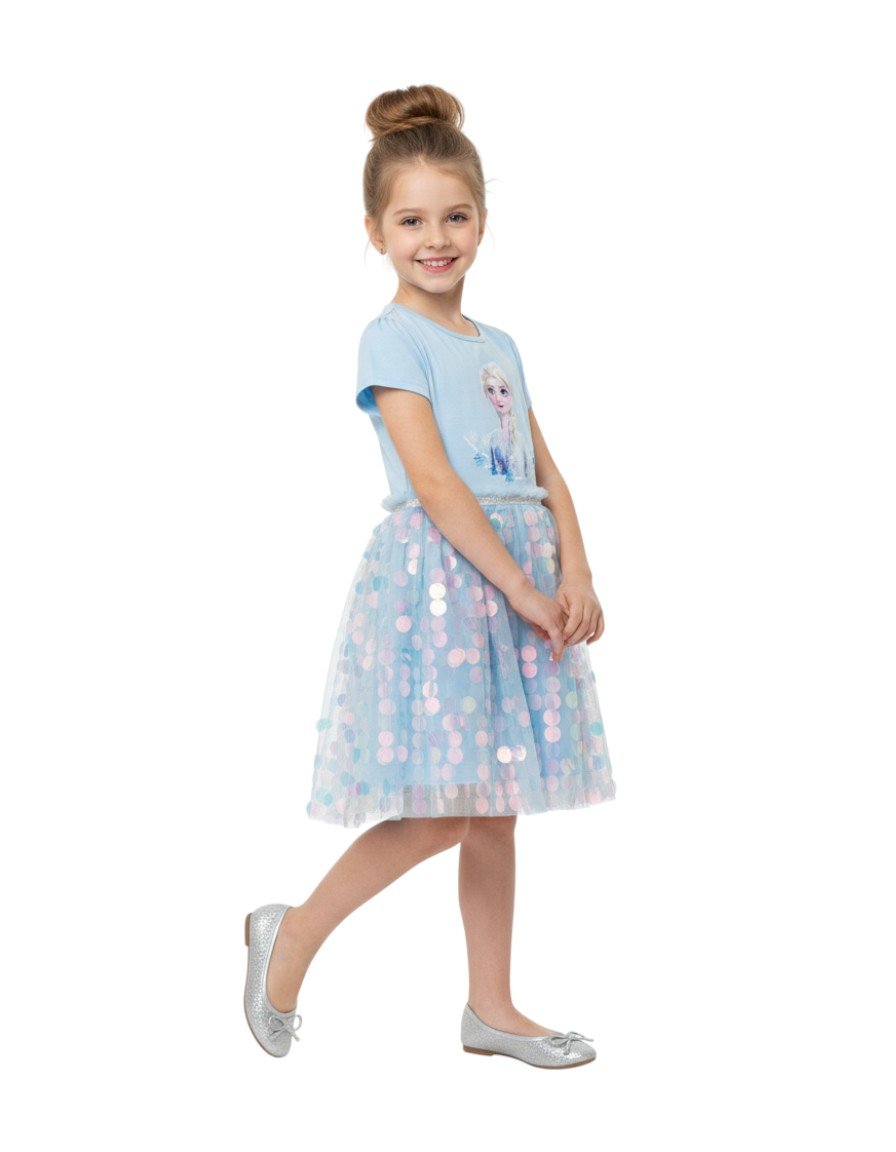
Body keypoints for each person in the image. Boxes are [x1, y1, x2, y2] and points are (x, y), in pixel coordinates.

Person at [244, 84, 617, 1069]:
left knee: (494, 805)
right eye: (411, 221)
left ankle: (490, 1006)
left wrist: (575, 569)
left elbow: (542, 470)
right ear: (374, 231)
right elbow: (436, 481)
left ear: (482, 221)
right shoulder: (390, 338)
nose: (435, 238)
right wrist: (522, 590)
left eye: (454, 216)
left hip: (518, 581)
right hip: (446, 588)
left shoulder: (498, 346)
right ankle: (293, 933)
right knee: (445, 805)